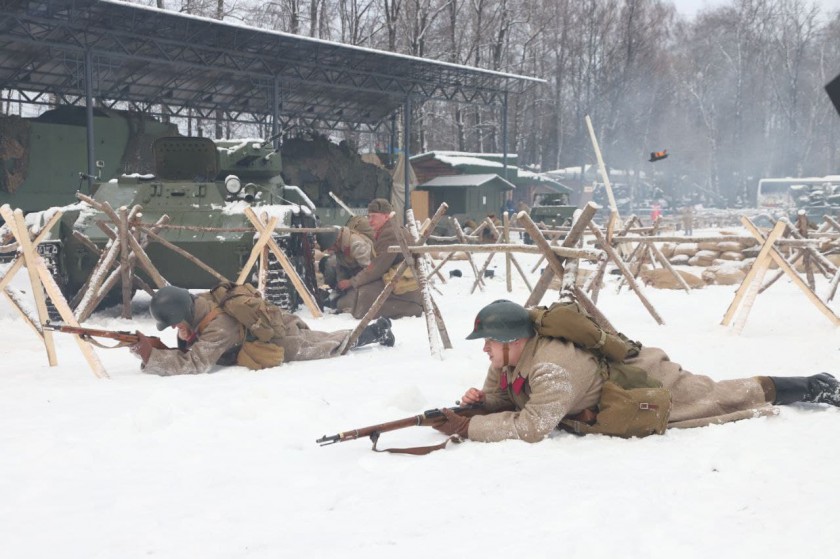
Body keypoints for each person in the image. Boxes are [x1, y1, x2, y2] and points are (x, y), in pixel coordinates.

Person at [433, 299, 840, 442]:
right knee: (718, 395)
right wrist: (481, 403)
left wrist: (470, 428)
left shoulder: (553, 368)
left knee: (718, 396)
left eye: (489, 342)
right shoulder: (507, 362)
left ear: (513, 342)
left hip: (645, 379)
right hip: (609, 384)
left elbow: (534, 426)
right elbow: (507, 400)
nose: (484, 350)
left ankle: (811, 385)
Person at [130, 285, 394, 376]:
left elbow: (196, 363)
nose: (175, 328)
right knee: (326, 339)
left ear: (181, 313)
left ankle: (375, 332)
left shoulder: (218, 325)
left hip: (279, 337)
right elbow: (195, 343)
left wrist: (150, 356)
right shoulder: (197, 305)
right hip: (264, 330)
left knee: (329, 346)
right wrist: (183, 336)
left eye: (175, 323)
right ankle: (373, 331)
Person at [339, 198, 423, 320]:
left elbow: (377, 268)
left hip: (405, 284)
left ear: (385, 216)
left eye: (374, 216)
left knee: (365, 293)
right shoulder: (385, 230)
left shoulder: (390, 233)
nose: (370, 220)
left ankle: (411, 309)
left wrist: (352, 282)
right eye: (369, 216)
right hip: (397, 278)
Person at [317, 216, 375, 312]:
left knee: (343, 304)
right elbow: (341, 266)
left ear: (336, 242)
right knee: (328, 262)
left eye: (330, 247)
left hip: (370, 281)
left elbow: (371, 272)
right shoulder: (341, 246)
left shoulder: (357, 245)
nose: (329, 250)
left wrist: (350, 283)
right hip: (356, 277)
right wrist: (341, 281)